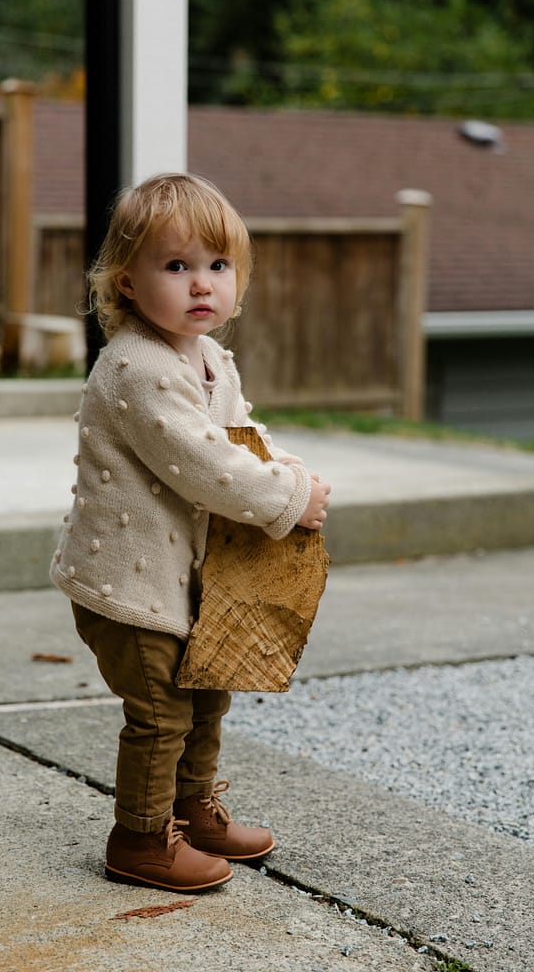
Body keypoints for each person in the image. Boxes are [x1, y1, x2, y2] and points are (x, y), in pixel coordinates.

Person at [50, 172, 330, 893]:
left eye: (217, 266)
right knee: (160, 711)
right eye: (176, 267)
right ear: (126, 285)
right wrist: (289, 496)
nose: (201, 284)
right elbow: (203, 464)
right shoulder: (137, 367)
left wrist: (285, 468)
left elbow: (237, 439)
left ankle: (189, 810)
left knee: (207, 692)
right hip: (130, 586)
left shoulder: (207, 357)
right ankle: (139, 838)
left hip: (186, 579)